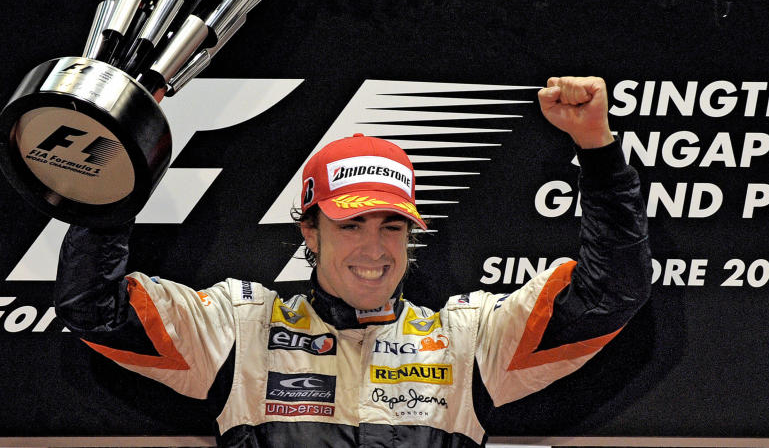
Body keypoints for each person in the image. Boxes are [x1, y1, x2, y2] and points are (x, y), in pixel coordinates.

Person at [54, 75, 652, 447]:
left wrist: (597, 153)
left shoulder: (468, 340)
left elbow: (608, 297)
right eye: (351, 225)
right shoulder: (241, 329)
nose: (374, 249)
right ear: (309, 232)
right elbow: (95, 308)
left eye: (393, 225)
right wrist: (111, 173)